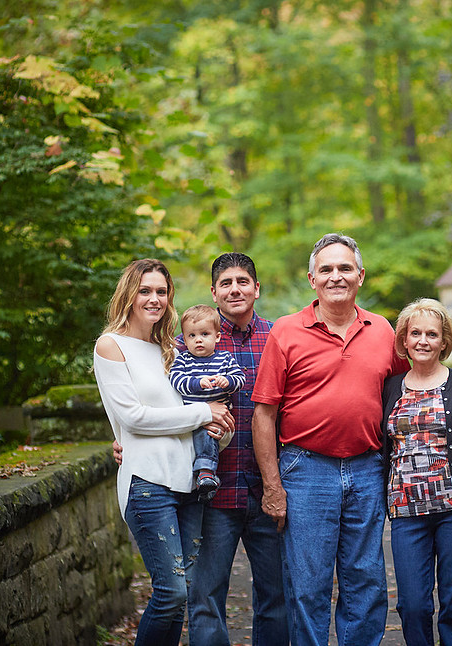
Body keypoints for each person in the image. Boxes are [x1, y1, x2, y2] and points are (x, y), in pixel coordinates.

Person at [112, 253, 290, 646]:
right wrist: (124, 437)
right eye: (225, 283)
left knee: (276, 597)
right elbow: (151, 399)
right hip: (211, 492)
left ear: (257, 288)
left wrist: (281, 484)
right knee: (204, 597)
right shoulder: (186, 340)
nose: (235, 289)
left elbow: (294, 407)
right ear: (213, 293)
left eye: (243, 281)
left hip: (266, 489)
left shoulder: (279, 338)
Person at [251, 233, 410, 646]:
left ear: (360, 276)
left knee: (366, 580)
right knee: (308, 585)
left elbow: (403, 394)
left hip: (367, 467)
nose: (335, 276)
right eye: (326, 269)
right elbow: (264, 414)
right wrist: (272, 486)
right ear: (311, 278)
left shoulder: (382, 330)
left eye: (344, 268)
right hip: (306, 469)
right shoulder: (286, 332)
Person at [93, 258, 235, 646]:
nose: (154, 299)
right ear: (129, 294)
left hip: (189, 484)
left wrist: (218, 427)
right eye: (145, 290)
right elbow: (134, 418)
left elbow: (195, 416)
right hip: (147, 483)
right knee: (170, 591)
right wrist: (204, 412)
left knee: (181, 595)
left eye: (161, 291)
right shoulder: (111, 345)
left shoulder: (172, 348)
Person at [382, 298, 452, 646]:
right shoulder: (391, 387)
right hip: (406, 514)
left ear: (444, 341)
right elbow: (385, 450)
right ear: (403, 339)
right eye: (415, 333)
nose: (423, 341)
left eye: (432, 334)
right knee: (413, 604)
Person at [169, 303, 246, 502]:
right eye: (192, 336)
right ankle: (200, 476)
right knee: (194, 439)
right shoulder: (183, 360)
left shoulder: (224, 359)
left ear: (217, 337)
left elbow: (240, 379)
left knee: (208, 434)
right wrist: (197, 383)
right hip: (192, 417)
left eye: (204, 334)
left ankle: (206, 473)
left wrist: (227, 381)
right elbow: (176, 381)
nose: (198, 340)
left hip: (219, 418)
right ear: (184, 339)